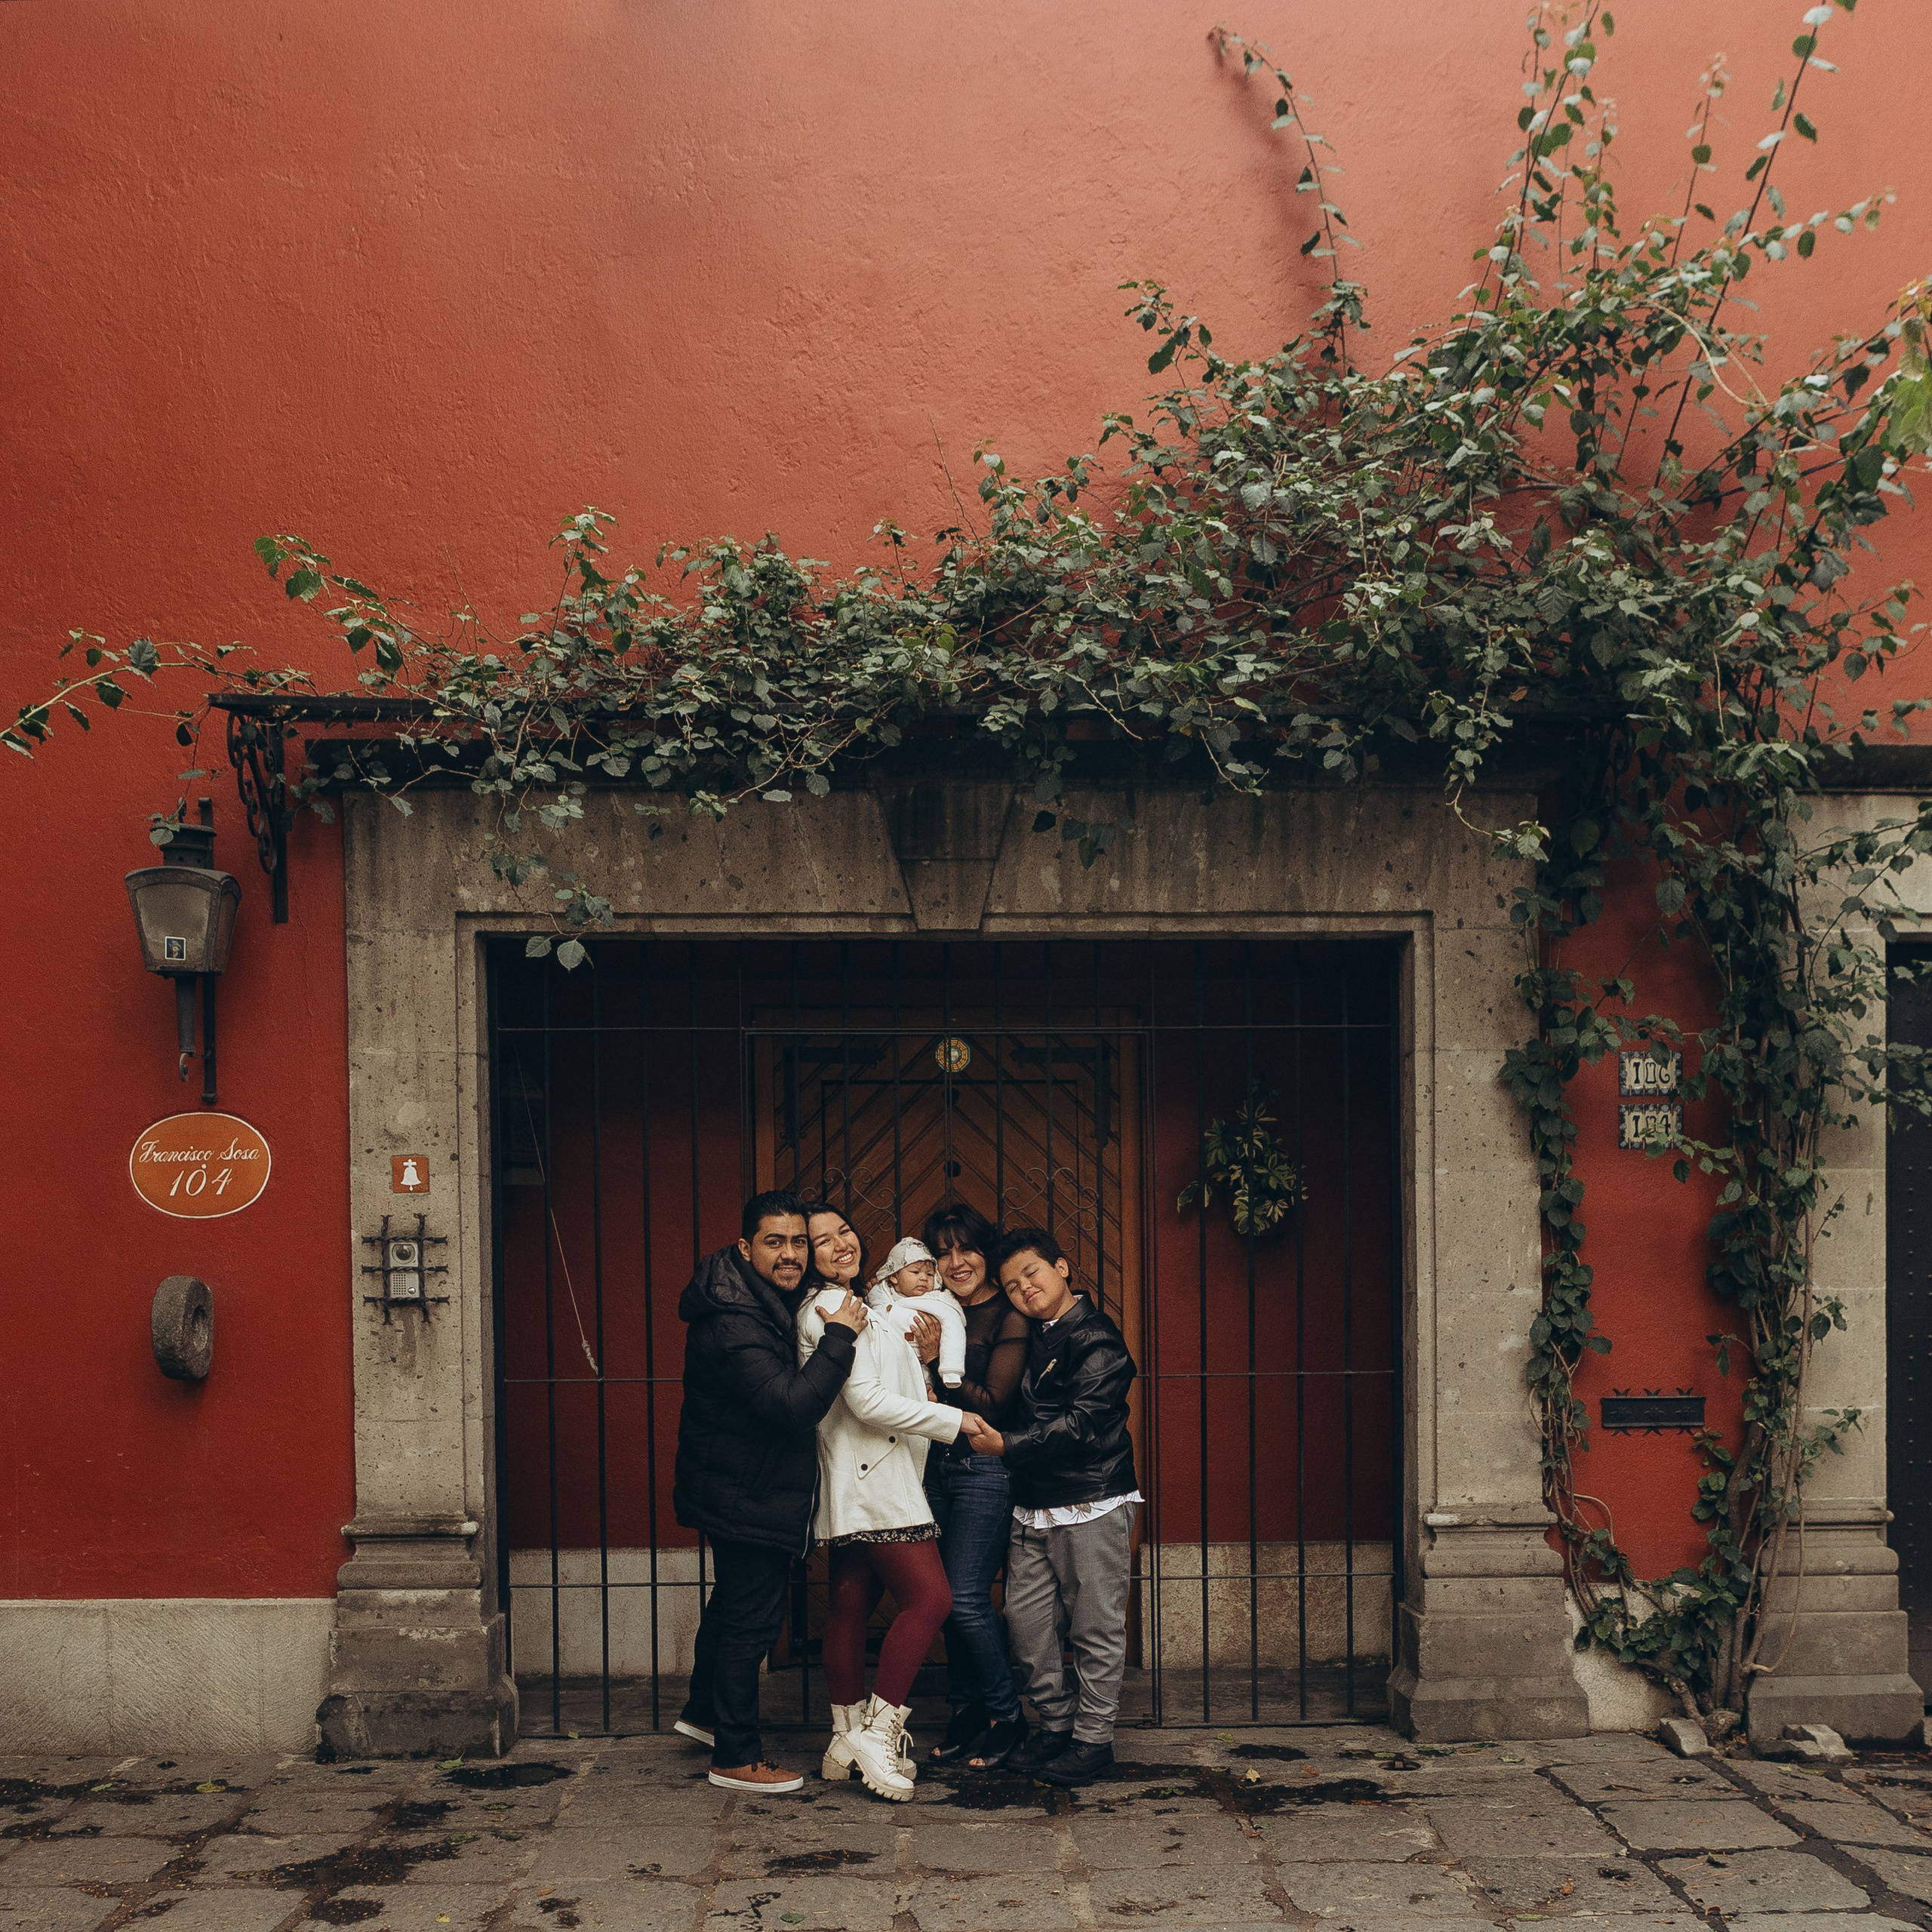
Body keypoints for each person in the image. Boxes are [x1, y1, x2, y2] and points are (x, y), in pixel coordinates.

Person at [671, 1189, 869, 1793]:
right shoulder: (735, 1321)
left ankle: (705, 1715)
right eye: (775, 1242)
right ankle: (736, 1756)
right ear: (745, 1247)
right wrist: (840, 1337)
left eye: (797, 1242)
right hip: (746, 1491)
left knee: (731, 1606)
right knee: (749, 1623)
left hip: (736, 1480)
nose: (791, 1254)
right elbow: (790, 1407)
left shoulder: (754, 1294)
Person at [959, 1226, 1140, 1788]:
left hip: (1093, 1498)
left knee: (1095, 1629)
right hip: (1032, 1502)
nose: (1023, 1289)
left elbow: (1084, 1423)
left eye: (1031, 1274)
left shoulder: (1098, 1339)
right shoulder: (1034, 1334)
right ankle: (1057, 1728)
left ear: (1062, 1269)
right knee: (1028, 1628)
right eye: (1011, 1285)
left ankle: (1093, 1740)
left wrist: (1007, 1447)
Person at [799, 1202, 962, 1801]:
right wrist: (958, 1419)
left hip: (862, 1474)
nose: (841, 1243)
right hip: (876, 1476)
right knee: (931, 1598)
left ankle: (844, 1736)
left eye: (844, 1230)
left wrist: (922, 1364)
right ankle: (880, 1728)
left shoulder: (857, 1305)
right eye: (822, 1240)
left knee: (851, 1602)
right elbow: (866, 1402)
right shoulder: (829, 1308)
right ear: (804, 1254)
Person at [919, 1201, 1032, 1769]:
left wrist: (941, 1364)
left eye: (966, 1248)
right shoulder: (930, 1307)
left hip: (983, 1470)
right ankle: (966, 1711)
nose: (956, 1261)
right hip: (930, 1469)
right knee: (941, 1601)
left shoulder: (1009, 1315)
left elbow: (997, 1406)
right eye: (943, 1251)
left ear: (987, 1251)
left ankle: (1007, 1716)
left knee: (965, 1598)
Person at [866, 1235, 968, 1387]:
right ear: (894, 1276)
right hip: (882, 1361)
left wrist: (951, 1370)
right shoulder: (880, 1293)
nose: (924, 1278)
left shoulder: (937, 1301)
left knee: (921, 1385)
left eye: (929, 1274)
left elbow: (953, 1327)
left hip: (919, 1362)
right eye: (915, 1272)